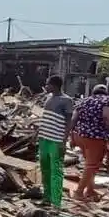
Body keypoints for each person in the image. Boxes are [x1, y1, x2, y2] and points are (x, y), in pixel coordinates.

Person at [70, 84, 109, 201]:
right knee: (92, 165)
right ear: (105, 92)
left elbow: (73, 119)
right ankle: (79, 192)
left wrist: (71, 136)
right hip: (96, 137)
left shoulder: (84, 100)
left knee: (90, 165)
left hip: (80, 136)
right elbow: (107, 117)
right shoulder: (107, 100)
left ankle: (90, 190)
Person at [37, 76, 74, 208]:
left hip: (56, 140)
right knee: (45, 169)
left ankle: (56, 201)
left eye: (48, 84)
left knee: (56, 171)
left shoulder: (67, 100)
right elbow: (45, 118)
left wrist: (64, 142)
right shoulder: (48, 98)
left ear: (55, 85)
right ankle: (46, 197)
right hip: (44, 139)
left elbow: (69, 123)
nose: (46, 86)